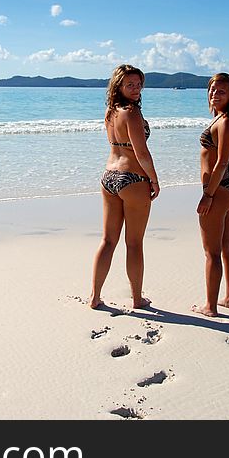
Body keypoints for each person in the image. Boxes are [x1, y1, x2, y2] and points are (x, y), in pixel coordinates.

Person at [89, 64, 160, 310]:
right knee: (134, 243)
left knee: (108, 240)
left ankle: (95, 296)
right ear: (118, 85)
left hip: (109, 176)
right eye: (130, 84)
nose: (136, 89)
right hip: (133, 180)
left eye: (139, 84)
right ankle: (137, 299)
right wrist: (154, 179)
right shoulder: (132, 113)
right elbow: (141, 152)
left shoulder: (111, 112)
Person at [193, 72, 229, 316]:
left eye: (222, 91)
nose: (215, 93)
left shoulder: (227, 122)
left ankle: (210, 307)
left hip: (219, 189)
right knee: (226, 247)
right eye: (213, 89)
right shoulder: (222, 118)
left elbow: (221, 162)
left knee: (212, 252)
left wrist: (208, 194)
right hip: (227, 188)